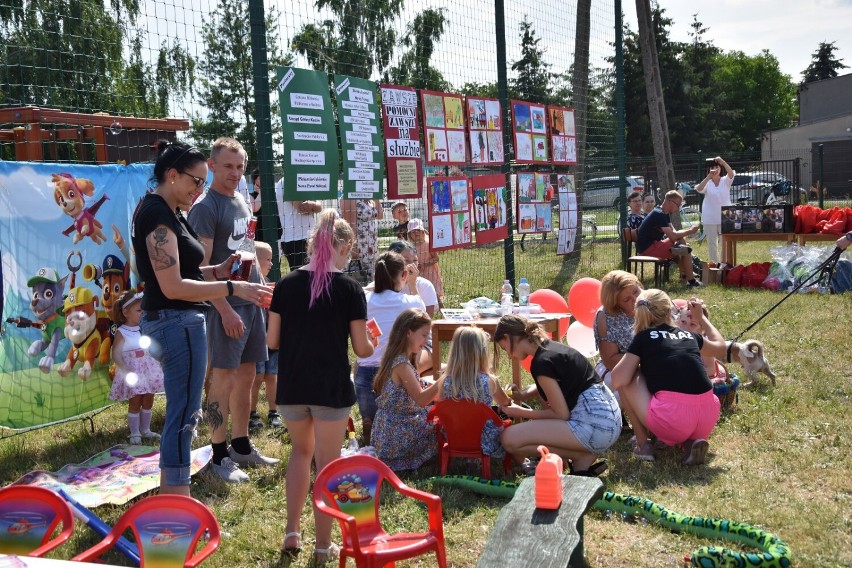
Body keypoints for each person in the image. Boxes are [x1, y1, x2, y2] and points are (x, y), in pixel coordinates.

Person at [131, 140, 272, 496]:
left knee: (186, 412)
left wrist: (216, 268)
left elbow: (187, 269)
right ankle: (177, 495)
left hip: (180, 319)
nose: (199, 189)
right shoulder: (157, 215)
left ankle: (177, 490)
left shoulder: (170, 210)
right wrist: (230, 288)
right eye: (196, 181)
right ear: (173, 175)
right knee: (184, 415)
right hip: (174, 321)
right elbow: (174, 286)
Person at [266, 209, 374, 565]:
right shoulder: (350, 289)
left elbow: (273, 341)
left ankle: (291, 531)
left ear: (314, 244)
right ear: (342, 246)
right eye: (349, 249)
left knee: (300, 453)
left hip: (292, 387)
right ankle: (323, 546)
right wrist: (373, 341)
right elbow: (361, 349)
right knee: (328, 464)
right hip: (330, 389)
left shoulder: (284, 284)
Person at [187, 137, 278, 484]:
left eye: (239, 167)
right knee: (222, 379)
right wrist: (224, 309)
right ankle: (216, 453)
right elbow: (203, 267)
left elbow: (245, 250)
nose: (234, 173)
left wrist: (258, 289)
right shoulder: (206, 208)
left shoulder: (240, 199)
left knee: (248, 375)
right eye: (227, 166)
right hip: (226, 306)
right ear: (211, 166)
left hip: (251, 303)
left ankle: (240, 445)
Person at [493, 315, 620, 476]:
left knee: (508, 439)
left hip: (595, 427)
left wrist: (519, 412)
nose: (510, 356)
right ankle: (582, 459)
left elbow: (561, 414)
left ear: (507, 337)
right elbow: (553, 385)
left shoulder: (541, 363)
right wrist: (523, 394)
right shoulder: (551, 348)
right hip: (610, 421)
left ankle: (581, 454)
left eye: (505, 349)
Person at [611, 290, 725, 465]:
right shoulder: (690, 335)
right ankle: (689, 442)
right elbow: (720, 348)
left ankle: (643, 445)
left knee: (628, 375)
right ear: (669, 311)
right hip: (708, 416)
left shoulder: (643, 338)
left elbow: (618, 379)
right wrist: (701, 318)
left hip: (673, 419)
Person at [354, 251, 426, 446]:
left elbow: (365, 290)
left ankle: (369, 422)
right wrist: (412, 285)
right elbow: (423, 320)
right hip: (393, 374)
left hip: (364, 374)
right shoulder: (410, 302)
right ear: (403, 275)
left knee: (360, 368)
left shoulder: (364, 299)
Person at [371, 309, 441, 470]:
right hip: (398, 431)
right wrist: (442, 380)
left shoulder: (398, 358)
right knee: (443, 423)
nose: (426, 340)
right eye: (424, 335)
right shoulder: (402, 364)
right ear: (409, 333)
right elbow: (422, 400)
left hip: (389, 428)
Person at [436, 326, 512, 458]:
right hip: (484, 441)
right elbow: (506, 402)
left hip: (453, 438)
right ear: (482, 353)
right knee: (504, 416)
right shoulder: (489, 381)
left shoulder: (445, 381)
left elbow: (442, 405)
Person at [109, 289, 164, 444]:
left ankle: (145, 429)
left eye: (143, 310)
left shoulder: (145, 327)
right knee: (135, 401)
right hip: (133, 371)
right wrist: (125, 369)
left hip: (149, 371)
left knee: (148, 399)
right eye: (139, 310)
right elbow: (116, 353)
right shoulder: (122, 331)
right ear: (126, 312)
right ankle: (135, 433)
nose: (142, 313)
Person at [248, 241, 282, 430]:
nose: (271, 263)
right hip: (257, 337)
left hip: (272, 336)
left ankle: (273, 411)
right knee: (257, 375)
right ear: (254, 261)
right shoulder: (249, 286)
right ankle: (252, 413)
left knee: (271, 375)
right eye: (267, 259)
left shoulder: (272, 285)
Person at [593, 270, 642, 399]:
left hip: (652, 364)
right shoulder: (605, 316)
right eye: (626, 299)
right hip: (616, 370)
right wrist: (646, 358)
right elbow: (610, 360)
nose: (636, 300)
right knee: (633, 389)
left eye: (636, 291)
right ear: (616, 304)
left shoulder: (653, 300)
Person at [636, 190, 702, 287]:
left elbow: (674, 232)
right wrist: (690, 231)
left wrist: (685, 232)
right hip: (647, 249)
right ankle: (691, 280)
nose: (678, 207)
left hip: (652, 246)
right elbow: (673, 236)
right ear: (670, 201)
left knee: (682, 244)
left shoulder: (663, 213)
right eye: (678, 205)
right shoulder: (659, 214)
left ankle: (685, 275)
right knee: (685, 249)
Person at [274, 175, 322, 271]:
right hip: (295, 240)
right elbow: (302, 208)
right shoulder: (289, 181)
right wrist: (314, 206)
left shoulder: (304, 180)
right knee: (303, 279)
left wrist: (313, 205)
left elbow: (319, 206)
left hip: (307, 236)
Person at [694, 156, 735, 263]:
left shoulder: (725, 181)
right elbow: (699, 189)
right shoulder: (707, 183)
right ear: (708, 170)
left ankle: (724, 264)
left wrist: (723, 162)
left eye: (717, 167)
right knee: (712, 243)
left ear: (720, 168)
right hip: (710, 217)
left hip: (724, 217)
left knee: (724, 242)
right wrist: (708, 177)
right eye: (712, 167)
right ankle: (714, 265)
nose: (715, 169)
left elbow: (731, 174)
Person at [387, 240, 439, 317]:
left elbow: (426, 320)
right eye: (406, 260)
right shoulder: (383, 283)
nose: (412, 264)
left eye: (415, 260)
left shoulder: (425, 285)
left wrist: (412, 284)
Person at [341, 198, 384, 281]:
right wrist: (353, 247)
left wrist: (376, 198)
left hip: (371, 245)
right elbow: (350, 225)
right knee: (358, 275)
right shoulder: (350, 197)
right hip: (360, 245)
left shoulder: (369, 199)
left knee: (372, 275)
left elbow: (380, 216)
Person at [408, 218, 444, 304]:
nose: (416, 233)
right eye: (413, 231)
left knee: (435, 292)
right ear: (409, 235)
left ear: (423, 232)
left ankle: (441, 308)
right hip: (418, 273)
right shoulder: (410, 247)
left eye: (418, 230)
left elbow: (436, 258)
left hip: (431, 273)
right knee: (421, 291)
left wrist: (425, 264)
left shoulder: (428, 244)